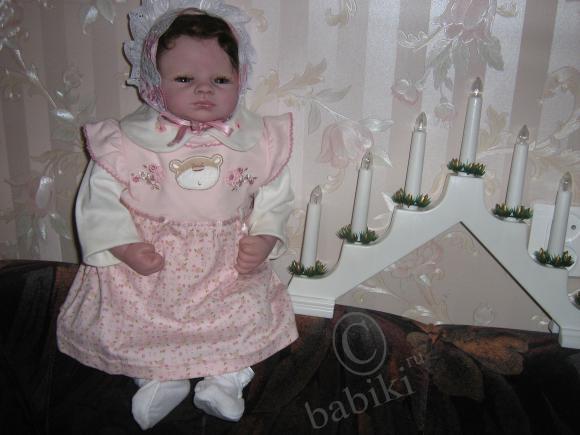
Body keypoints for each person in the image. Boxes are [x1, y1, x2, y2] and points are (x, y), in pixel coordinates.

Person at [56, 0, 298, 429]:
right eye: (185, 78)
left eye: (220, 79)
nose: (204, 90)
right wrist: (123, 245)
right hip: (151, 267)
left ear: (241, 79)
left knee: (243, 313)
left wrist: (265, 237)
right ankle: (156, 377)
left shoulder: (258, 139)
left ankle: (227, 378)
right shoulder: (126, 141)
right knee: (137, 319)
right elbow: (98, 198)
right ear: (155, 82)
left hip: (225, 265)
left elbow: (276, 194)